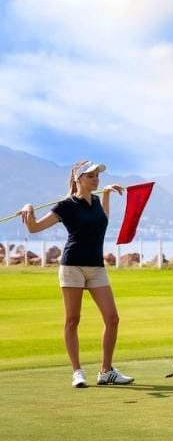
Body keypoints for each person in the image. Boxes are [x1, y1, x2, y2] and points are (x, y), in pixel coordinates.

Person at [19, 160, 133, 388]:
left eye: (97, 176)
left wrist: (107, 194)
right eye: (90, 176)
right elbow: (34, 227)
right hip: (72, 267)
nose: (95, 179)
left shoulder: (97, 201)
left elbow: (103, 220)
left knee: (112, 318)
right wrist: (28, 206)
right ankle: (77, 372)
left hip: (96, 267)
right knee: (73, 319)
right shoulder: (65, 206)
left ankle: (106, 371)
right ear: (78, 179)